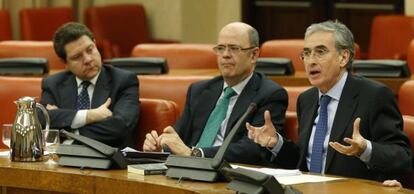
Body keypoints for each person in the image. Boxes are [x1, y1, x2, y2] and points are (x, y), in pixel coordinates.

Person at [247, 20, 412, 180]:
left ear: (343, 57)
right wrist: (276, 143)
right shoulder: (307, 99)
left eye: (320, 52)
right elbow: (303, 161)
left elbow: (402, 157)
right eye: (306, 53)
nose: (311, 60)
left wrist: (365, 149)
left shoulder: (374, 96)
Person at [143, 22, 288, 165]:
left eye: (234, 48)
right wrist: (161, 146)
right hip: (187, 172)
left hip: (228, 176)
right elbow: (178, 136)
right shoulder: (199, 91)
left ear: (254, 55)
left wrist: (196, 154)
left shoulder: (270, 94)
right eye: (220, 48)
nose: (225, 55)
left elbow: (252, 150)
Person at [40, 22, 140, 149]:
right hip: (63, 163)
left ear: (95, 43)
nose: (87, 59)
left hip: (109, 163)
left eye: (90, 49)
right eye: (77, 57)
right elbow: (42, 120)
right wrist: (90, 115)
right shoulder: (53, 84)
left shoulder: (123, 81)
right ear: (65, 63)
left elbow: (119, 127)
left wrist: (67, 132)